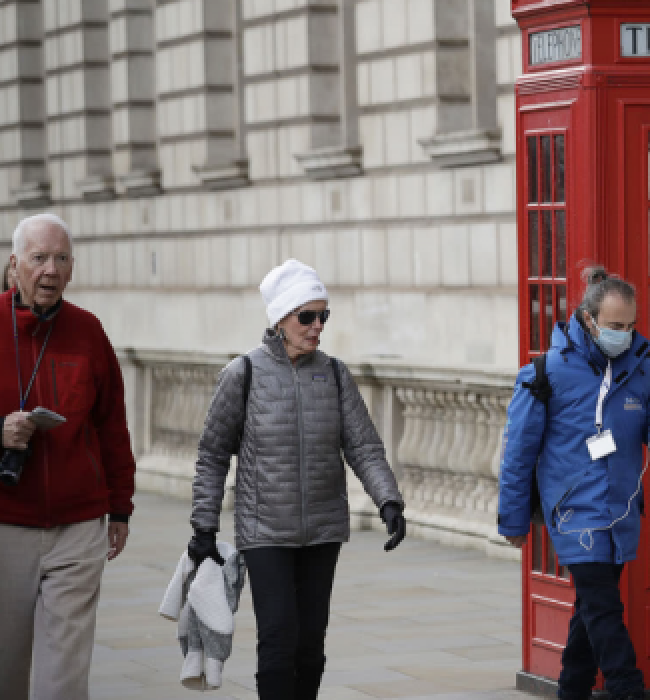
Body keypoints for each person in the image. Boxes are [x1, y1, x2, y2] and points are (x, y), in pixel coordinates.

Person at [188, 259, 408, 700]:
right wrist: (204, 526)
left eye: (323, 315)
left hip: (323, 529)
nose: (317, 326)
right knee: (277, 637)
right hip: (264, 530)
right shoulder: (243, 374)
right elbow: (212, 455)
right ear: (279, 319)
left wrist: (389, 500)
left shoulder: (335, 374)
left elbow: (363, 446)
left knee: (310, 645)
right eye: (306, 316)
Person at [498, 266, 650, 700]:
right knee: (604, 608)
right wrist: (512, 521)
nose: (624, 334)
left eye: (631, 325)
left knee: (589, 613)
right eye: (615, 326)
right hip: (574, 511)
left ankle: (573, 691)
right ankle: (627, 689)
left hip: (620, 508)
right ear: (588, 319)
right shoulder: (545, 373)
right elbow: (518, 453)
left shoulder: (640, 367)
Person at [0, 213, 137, 699]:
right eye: (39, 258)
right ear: (15, 264)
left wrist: (119, 506)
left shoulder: (88, 331)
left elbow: (112, 425)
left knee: (63, 680)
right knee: (6, 672)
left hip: (78, 528)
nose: (50, 270)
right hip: (6, 524)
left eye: (61, 258)